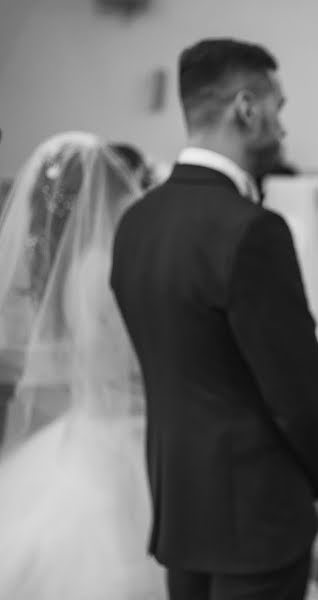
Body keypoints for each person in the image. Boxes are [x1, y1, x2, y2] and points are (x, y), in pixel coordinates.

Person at [111, 38, 318, 600]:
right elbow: (299, 393)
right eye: (278, 108)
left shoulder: (136, 222)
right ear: (246, 108)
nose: (283, 128)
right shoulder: (251, 228)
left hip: (179, 506)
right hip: (256, 515)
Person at [0, 131, 164, 598]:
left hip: (90, 428)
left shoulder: (67, 264)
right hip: (119, 435)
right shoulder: (100, 263)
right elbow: (114, 359)